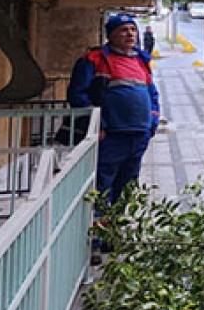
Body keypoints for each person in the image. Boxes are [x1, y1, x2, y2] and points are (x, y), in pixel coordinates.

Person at [67, 12, 160, 206]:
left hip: (139, 135)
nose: (130, 34)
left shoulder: (141, 61)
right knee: (102, 187)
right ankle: (98, 232)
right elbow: (78, 94)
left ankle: (116, 230)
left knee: (127, 187)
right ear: (111, 35)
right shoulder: (93, 59)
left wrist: (152, 123)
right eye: (124, 30)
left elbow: (152, 94)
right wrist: (97, 125)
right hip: (111, 137)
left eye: (133, 29)